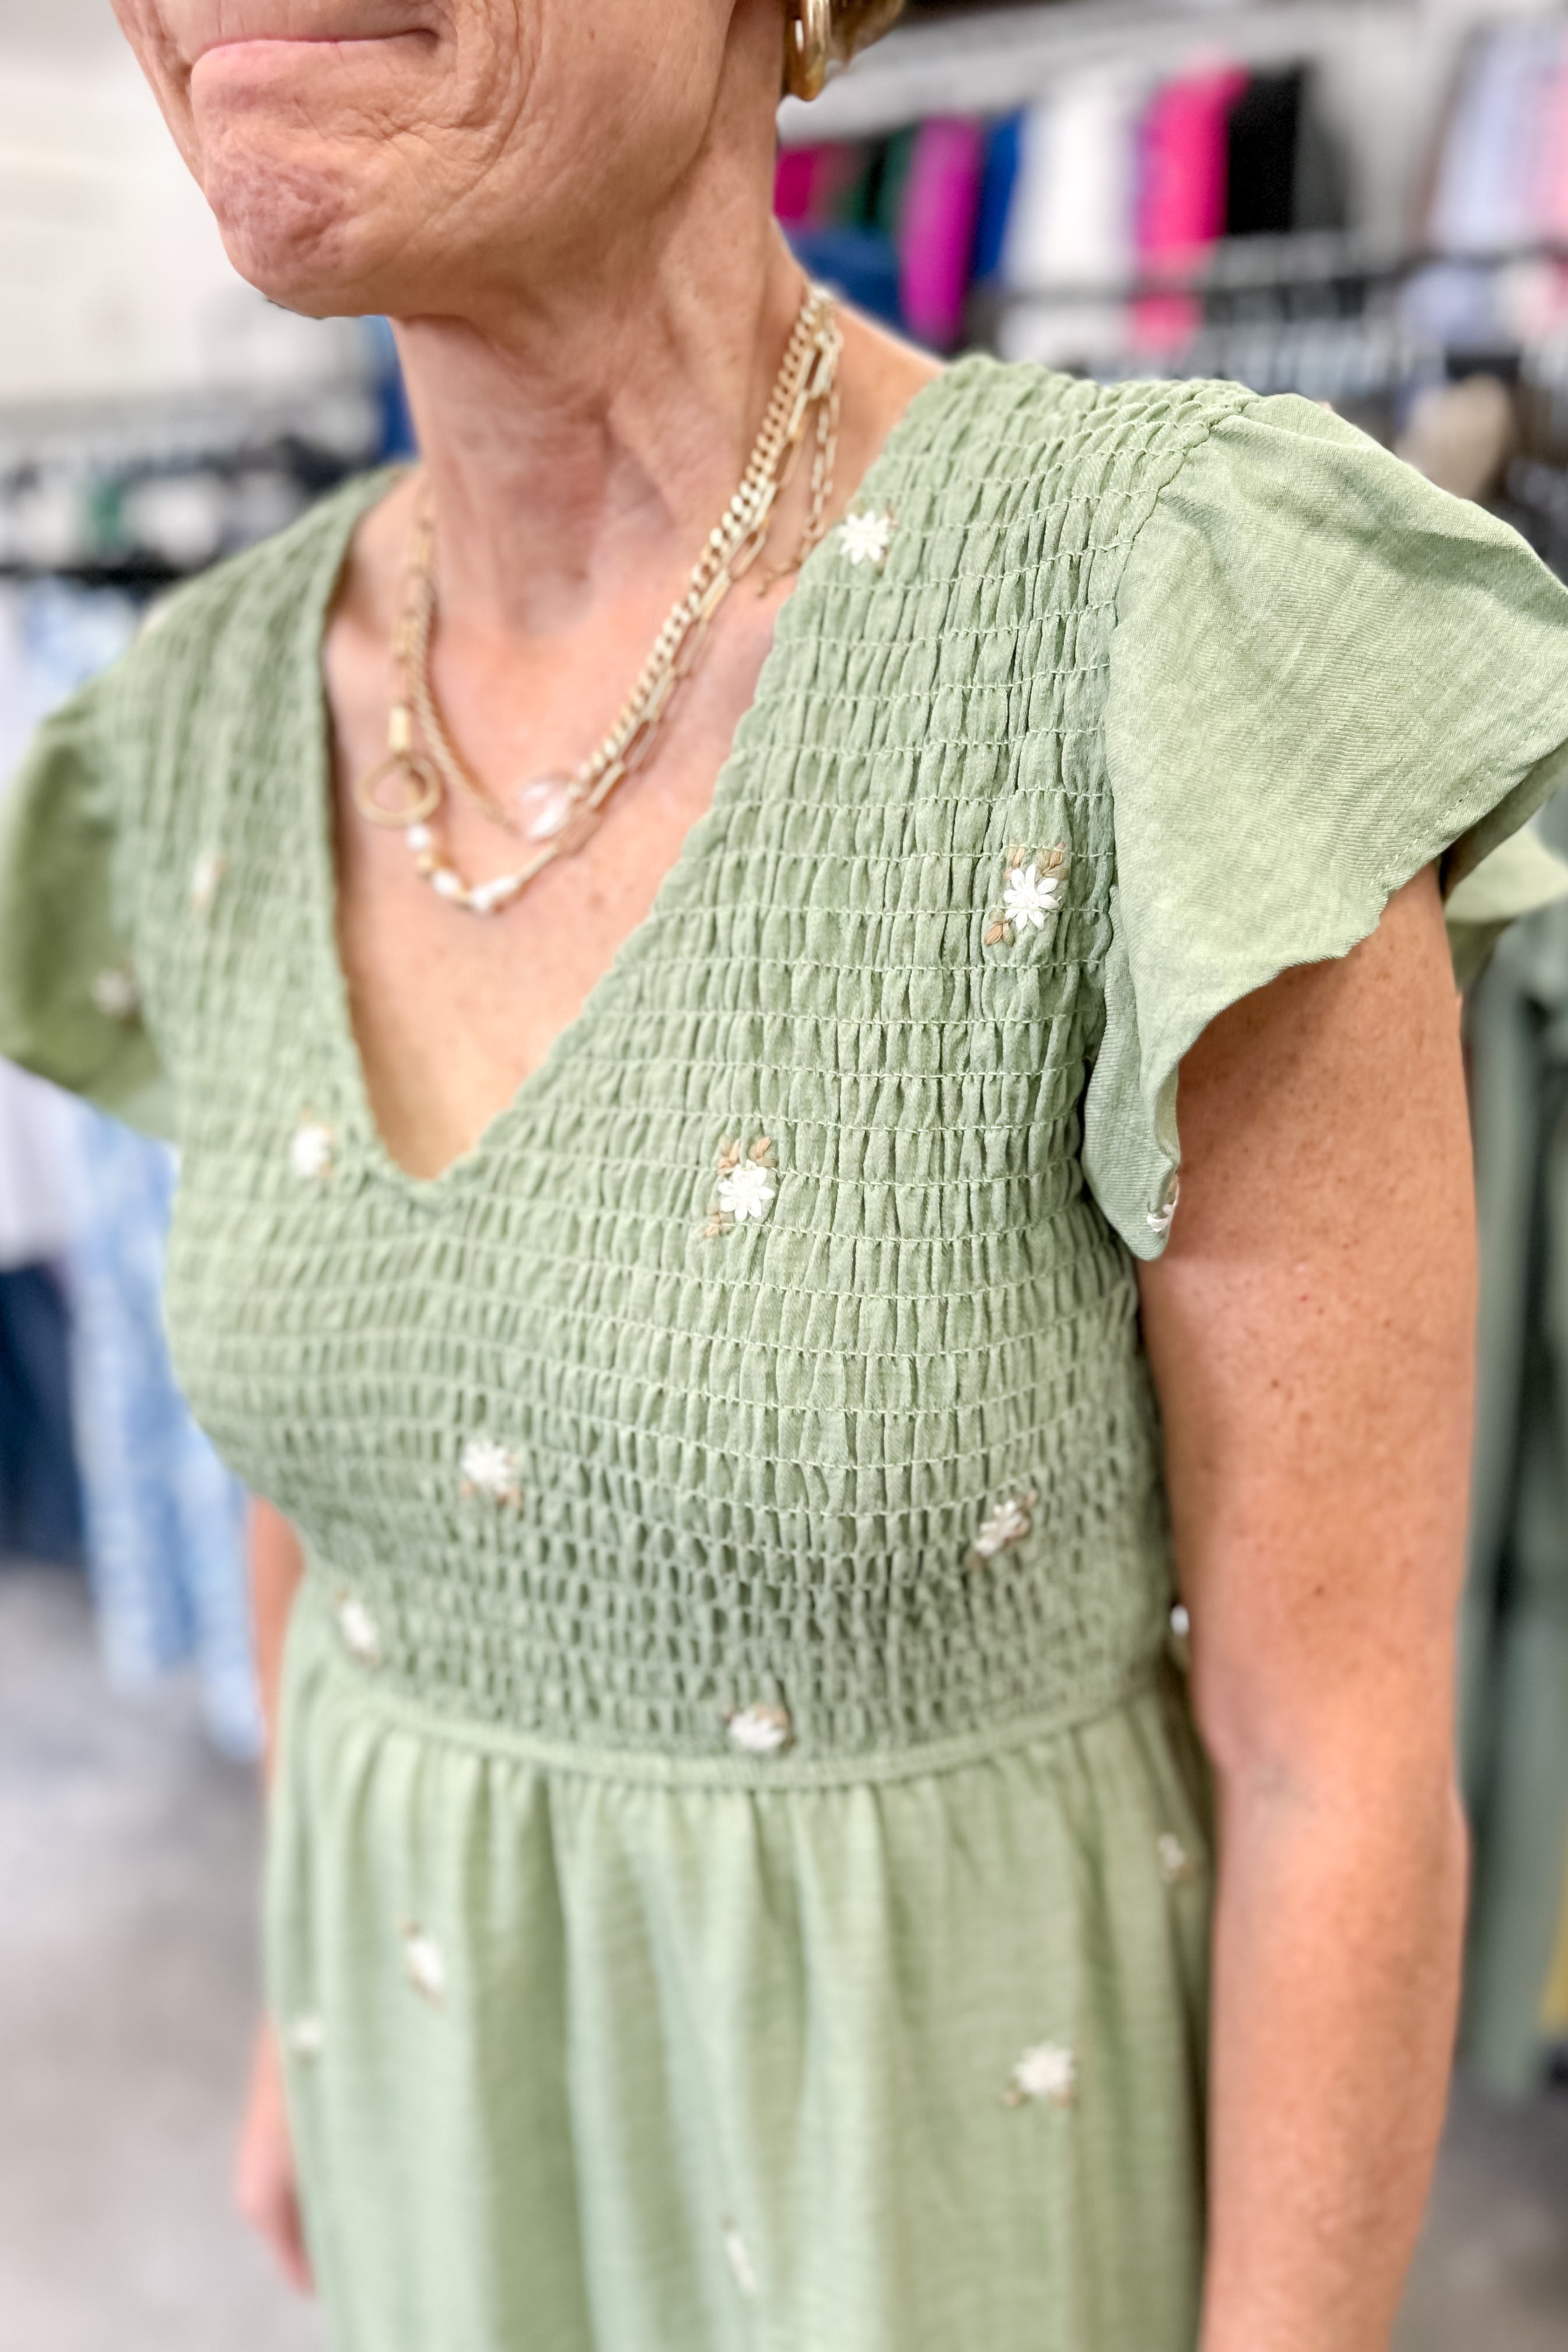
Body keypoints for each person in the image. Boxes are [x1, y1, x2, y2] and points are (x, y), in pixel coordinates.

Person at [6, 2, 1568, 2345]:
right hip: (433, 2106)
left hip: (951, 2188)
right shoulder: (217, 707)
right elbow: (335, 1470)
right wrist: (283, 2009)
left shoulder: (1159, 631)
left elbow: (1330, 1757)